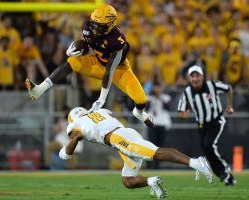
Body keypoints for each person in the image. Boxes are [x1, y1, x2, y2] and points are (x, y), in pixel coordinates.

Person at [25, 4, 155, 128]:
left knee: (141, 100)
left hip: (118, 70)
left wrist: (101, 100)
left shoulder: (117, 40)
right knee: (72, 61)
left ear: (110, 25)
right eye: (93, 23)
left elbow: (109, 71)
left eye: (99, 26)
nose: (94, 28)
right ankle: (39, 89)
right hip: (98, 62)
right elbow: (90, 46)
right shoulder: (87, 27)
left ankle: (139, 113)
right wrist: (75, 49)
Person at [59, 107, 213, 199]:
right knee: (127, 180)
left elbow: (66, 154)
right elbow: (107, 114)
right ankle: (151, 182)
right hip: (125, 134)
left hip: (119, 138)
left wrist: (76, 138)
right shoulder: (99, 111)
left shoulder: (75, 125)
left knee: (155, 153)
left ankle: (196, 162)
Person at [177, 65, 236, 186]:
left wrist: (229, 106)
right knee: (206, 150)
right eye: (192, 76)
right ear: (189, 79)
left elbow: (228, 88)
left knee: (209, 145)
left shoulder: (212, 85)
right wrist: (184, 115)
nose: (195, 78)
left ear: (202, 76)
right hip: (201, 125)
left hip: (216, 121)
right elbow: (180, 112)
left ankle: (225, 165)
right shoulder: (187, 92)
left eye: (197, 75)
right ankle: (225, 176)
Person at [145, 81, 172, 169]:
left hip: (162, 123)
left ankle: (156, 165)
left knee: (160, 145)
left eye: (158, 87)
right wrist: (152, 97)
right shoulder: (149, 97)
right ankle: (149, 165)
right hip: (152, 123)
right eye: (155, 87)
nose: (157, 89)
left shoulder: (165, 97)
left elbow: (167, 107)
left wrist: (159, 97)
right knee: (151, 144)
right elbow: (147, 107)